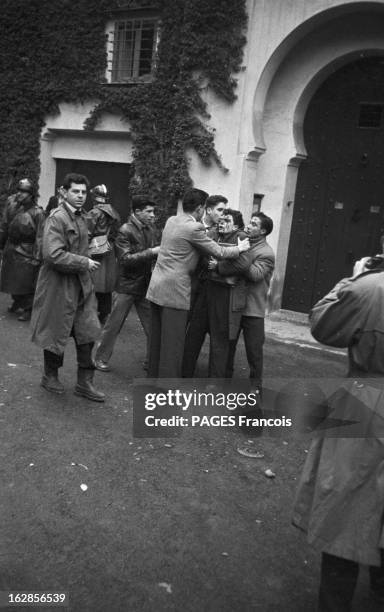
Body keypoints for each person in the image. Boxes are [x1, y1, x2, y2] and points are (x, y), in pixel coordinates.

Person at [292, 260, 384, 610]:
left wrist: (353, 276)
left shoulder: (369, 287)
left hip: (368, 398)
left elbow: (323, 325)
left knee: (345, 504)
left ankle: (336, 603)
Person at [146, 188, 250, 379]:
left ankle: (152, 380)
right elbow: (218, 251)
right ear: (201, 208)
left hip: (157, 287)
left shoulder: (172, 220)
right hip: (175, 292)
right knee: (173, 345)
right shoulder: (194, 228)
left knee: (157, 341)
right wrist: (239, 247)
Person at [31, 173, 104, 402]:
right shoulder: (57, 218)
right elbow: (52, 255)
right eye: (76, 191)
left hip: (81, 286)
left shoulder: (80, 217)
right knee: (56, 329)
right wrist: (84, 262)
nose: (81, 196)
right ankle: (50, 376)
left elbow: (78, 246)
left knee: (87, 332)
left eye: (83, 192)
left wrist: (92, 250)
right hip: (58, 286)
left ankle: (85, 383)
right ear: (64, 192)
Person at [94, 195, 159, 372]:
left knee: (153, 326)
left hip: (144, 284)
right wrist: (152, 252)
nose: (153, 215)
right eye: (149, 211)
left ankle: (152, 361)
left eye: (153, 211)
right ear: (137, 212)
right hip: (127, 286)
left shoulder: (150, 228)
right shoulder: (125, 230)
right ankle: (100, 358)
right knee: (113, 325)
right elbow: (124, 259)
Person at [210, 212, 275, 386]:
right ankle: (224, 383)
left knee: (254, 352)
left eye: (254, 224)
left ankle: (255, 388)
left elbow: (255, 274)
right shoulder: (244, 243)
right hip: (235, 304)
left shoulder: (266, 253)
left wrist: (240, 257)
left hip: (253, 309)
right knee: (228, 347)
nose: (248, 226)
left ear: (262, 231)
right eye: (250, 222)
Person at [182, 195, 228, 376]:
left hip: (206, 288)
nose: (223, 215)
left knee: (196, 329)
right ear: (208, 210)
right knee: (181, 325)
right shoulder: (194, 226)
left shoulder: (219, 231)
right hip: (188, 282)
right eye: (220, 210)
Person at [206, 209, 247, 377]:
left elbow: (242, 264)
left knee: (220, 339)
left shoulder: (241, 237)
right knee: (213, 336)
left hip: (226, 294)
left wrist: (218, 267)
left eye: (226, 220)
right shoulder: (216, 235)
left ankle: (215, 382)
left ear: (235, 225)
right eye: (221, 219)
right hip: (212, 290)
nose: (221, 222)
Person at [0, 178, 45, 321]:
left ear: (31, 194)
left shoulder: (38, 213)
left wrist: (37, 257)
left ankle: (28, 308)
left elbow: (40, 236)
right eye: (18, 190)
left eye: (23, 192)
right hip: (11, 247)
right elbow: (5, 225)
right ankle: (17, 301)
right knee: (10, 278)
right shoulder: (13, 206)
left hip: (27, 250)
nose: (19, 194)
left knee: (26, 282)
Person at [86, 184, 121, 325]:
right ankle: (105, 313)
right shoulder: (114, 212)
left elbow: (87, 233)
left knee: (92, 282)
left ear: (94, 197)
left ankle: (90, 313)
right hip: (109, 249)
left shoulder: (94, 213)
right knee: (106, 284)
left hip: (95, 249)